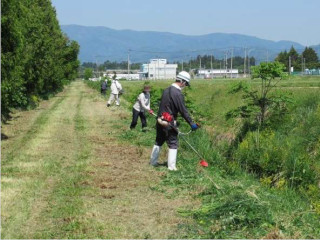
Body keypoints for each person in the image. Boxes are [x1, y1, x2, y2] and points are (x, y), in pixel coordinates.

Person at [150, 71, 199, 171]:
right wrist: (192, 124)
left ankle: (153, 162)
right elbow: (183, 111)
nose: (185, 86)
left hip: (160, 119)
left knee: (159, 141)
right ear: (182, 82)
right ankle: (171, 167)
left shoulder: (166, 90)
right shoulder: (177, 93)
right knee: (173, 143)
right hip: (169, 122)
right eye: (185, 84)